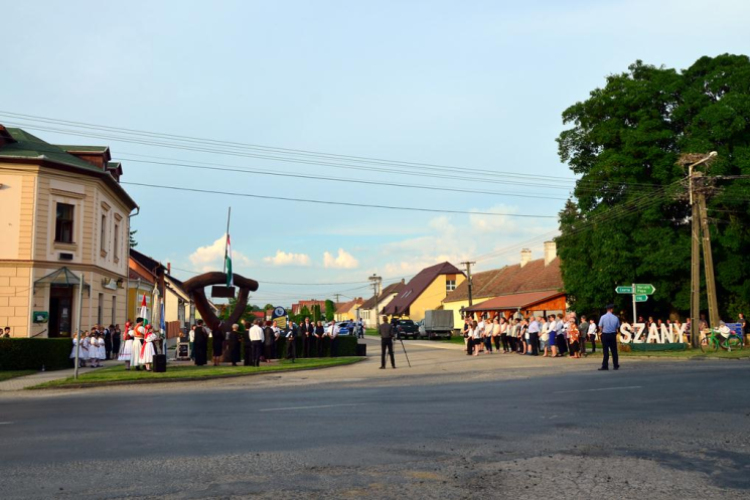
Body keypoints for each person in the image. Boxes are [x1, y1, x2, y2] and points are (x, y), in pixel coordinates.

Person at [598, 304, 621, 371]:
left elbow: (600, 326)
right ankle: (615, 365)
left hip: (605, 335)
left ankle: (605, 366)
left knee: (605, 351)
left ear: (607, 309)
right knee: (614, 351)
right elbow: (617, 326)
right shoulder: (615, 317)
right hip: (613, 335)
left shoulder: (603, 317)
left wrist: (602, 330)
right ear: (611, 309)